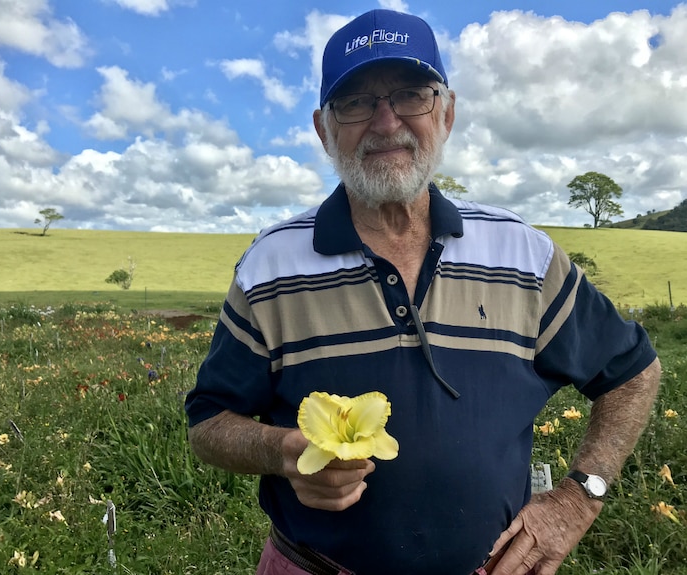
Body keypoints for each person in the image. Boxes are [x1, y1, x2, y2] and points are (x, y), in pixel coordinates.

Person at [184, 8, 660, 575]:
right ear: (323, 128)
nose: (386, 123)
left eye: (411, 95)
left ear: (448, 112)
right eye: (355, 103)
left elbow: (633, 371)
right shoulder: (272, 265)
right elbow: (209, 424)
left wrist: (579, 496)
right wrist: (285, 453)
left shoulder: (522, 254)